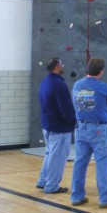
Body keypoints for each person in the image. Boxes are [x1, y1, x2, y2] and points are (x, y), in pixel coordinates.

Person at [70, 58, 107, 209]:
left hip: (81, 128)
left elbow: (79, 104)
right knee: (103, 164)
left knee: (80, 163)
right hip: (99, 129)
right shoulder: (103, 87)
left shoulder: (77, 85)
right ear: (101, 71)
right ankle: (105, 199)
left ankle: (77, 196)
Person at [36, 57, 76, 194]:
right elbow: (65, 107)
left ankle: (43, 180)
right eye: (62, 63)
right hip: (59, 127)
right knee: (58, 156)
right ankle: (52, 185)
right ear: (57, 66)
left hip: (47, 124)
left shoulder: (45, 81)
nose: (63, 65)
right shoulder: (59, 84)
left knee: (50, 154)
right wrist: (73, 120)